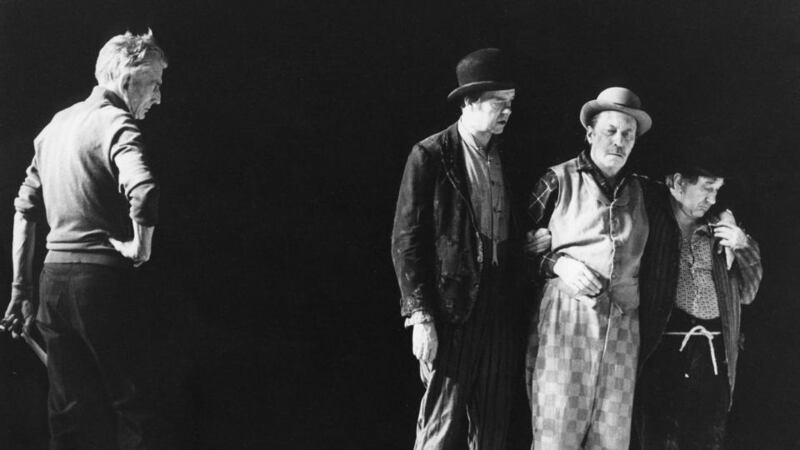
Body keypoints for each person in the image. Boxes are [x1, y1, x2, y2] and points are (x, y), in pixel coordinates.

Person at [2, 29, 166, 449]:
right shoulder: (115, 121)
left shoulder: (55, 126)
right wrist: (139, 247)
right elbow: (143, 189)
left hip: (53, 285)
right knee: (135, 406)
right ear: (128, 78)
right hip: (101, 285)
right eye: (155, 84)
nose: (158, 97)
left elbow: (24, 211)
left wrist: (21, 289)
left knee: (68, 412)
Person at [391, 48, 526, 449]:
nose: (506, 112)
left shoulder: (508, 156)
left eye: (511, 104)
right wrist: (421, 316)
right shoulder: (431, 154)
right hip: (454, 308)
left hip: (500, 307)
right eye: (498, 103)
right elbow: (406, 240)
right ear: (468, 102)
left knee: (491, 427)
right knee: (441, 424)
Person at [525, 87, 652, 449]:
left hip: (623, 326)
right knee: (557, 431)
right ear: (590, 132)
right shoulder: (556, 179)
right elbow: (518, 249)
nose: (619, 141)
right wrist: (557, 263)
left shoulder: (644, 192)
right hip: (567, 322)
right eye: (611, 131)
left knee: (611, 438)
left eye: (628, 135)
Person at [633, 152, 762, 449]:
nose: (713, 199)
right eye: (707, 187)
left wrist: (743, 246)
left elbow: (748, 293)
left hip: (713, 357)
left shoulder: (723, 230)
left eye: (717, 189)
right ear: (678, 183)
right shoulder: (651, 218)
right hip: (661, 354)